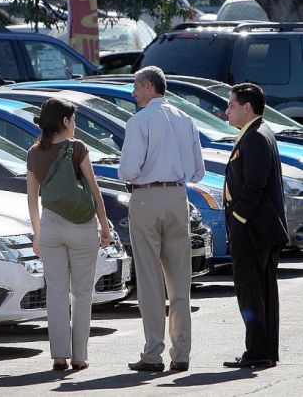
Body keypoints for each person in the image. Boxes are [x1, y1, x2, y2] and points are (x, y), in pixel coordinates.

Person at [118, 66, 205, 372]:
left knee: (150, 279)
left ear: (148, 87)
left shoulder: (140, 120)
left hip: (147, 197)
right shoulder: (186, 119)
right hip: (179, 197)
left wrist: (140, 175)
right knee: (180, 280)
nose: (134, 93)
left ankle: (153, 352)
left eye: (136, 88)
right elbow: (199, 171)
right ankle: (181, 353)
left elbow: (128, 169)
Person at [27, 97, 112, 371]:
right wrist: (105, 224)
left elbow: (32, 198)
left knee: (56, 292)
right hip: (81, 226)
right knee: (82, 293)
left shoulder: (33, 152)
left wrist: (37, 234)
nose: (75, 125)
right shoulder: (77, 148)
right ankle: (79, 357)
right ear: (64, 121)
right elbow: (94, 189)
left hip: (51, 225)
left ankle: (59, 356)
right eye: (73, 119)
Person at [222, 83, 288, 369]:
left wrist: (238, 219)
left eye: (231, 105)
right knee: (260, 292)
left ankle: (257, 350)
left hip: (252, 231)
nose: (227, 111)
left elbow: (254, 186)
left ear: (247, 107)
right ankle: (263, 349)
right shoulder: (254, 133)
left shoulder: (256, 137)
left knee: (252, 292)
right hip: (257, 229)